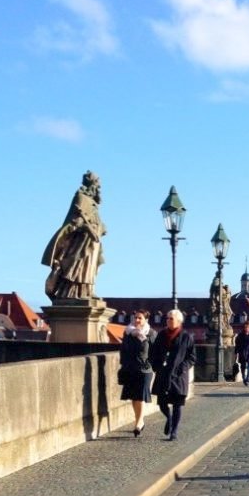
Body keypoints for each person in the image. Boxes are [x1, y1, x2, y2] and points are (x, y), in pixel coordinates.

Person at [42, 170, 107, 300]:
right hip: (81, 241)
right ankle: (72, 292)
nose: (98, 189)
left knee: (91, 267)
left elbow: (97, 221)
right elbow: (75, 221)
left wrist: (101, 228)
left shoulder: (92, 202)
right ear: (92, 185)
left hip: (93, 240)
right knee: (77, 266)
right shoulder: (81, 198)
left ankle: (87, 291)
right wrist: (86, 227)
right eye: (97, 185)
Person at [150, 309, 196, 441]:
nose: (168, 320)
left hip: (178, 376)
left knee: (177, 404)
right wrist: (156, 366)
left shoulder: (186, 337)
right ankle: (169, 419)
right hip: (163, 373)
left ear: (179, 321)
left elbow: (192, 357)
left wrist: (183, 368)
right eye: (167, 318)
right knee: (162, 403)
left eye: (171, 318)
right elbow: (153, 352)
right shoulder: (161, 335)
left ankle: (174, 431)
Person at [118, 309, 155, 436]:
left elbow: (156, 352)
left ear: (146, 320)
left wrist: (150, 364)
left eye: (140, 318)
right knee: (134, 397)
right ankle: (139, 421)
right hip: (130, 368)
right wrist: (123, 365)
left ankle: (138, 423)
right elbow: (123, 350)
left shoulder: (151, 333)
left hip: (145, 370)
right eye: (135, 317)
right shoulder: (128, 332)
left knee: (140, 396)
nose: (137, 320)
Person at [234, 320, 249, 386]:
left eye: (248, 327)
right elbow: (237, 345)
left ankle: (248, 379)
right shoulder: (240, 335)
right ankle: (244, 378)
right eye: (246, 327)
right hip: (242, 353)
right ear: (244, 328)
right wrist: (236, 353)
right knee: (243, 367)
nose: (247, 328)